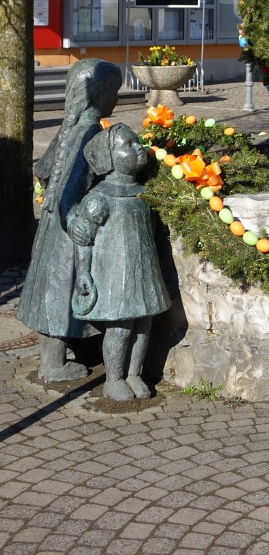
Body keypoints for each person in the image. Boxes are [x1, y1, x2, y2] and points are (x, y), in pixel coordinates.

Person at [17, 59, 122, 382]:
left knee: (50, 289)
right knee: (61, 291)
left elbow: (44, 169)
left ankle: (56, 356)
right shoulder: (90, 132)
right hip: (68, 228)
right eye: (114, 91)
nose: (116, 99)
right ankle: (53, 365)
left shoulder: (68, 128)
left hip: (51, 225)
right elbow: (76, 182)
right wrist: (73, 217)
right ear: (99, 95)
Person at [71, 124, 170, 401]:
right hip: (114, 274)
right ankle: (114, 379)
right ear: (108, 158)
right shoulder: (99, 199)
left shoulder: (142, 193)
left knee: (144, 323)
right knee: (121, 327)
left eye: (137, 142)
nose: (138, 147)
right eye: (128, 144)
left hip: (143, 270)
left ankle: (134, 373)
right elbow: (84, 239)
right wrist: (84, 273)